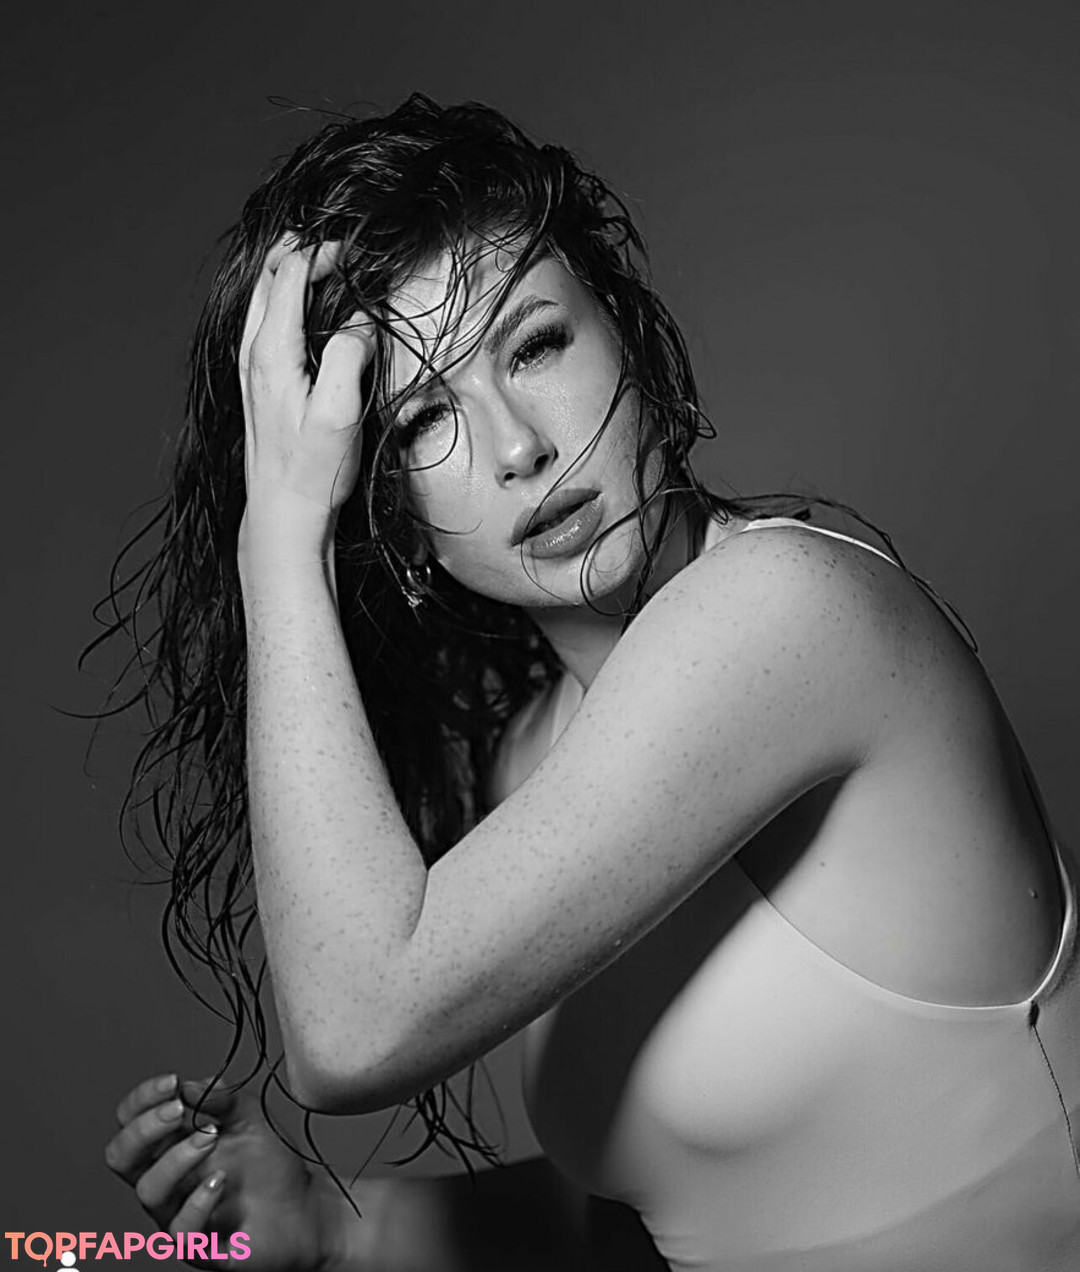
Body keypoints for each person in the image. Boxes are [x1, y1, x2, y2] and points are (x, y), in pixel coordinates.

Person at [102, 95, 1080, 1271]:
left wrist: (279, 538)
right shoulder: (533, 759)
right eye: (422, 420)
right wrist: (338, 1224)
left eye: (535, 345)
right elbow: (671, 1214)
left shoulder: (787, 610)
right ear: (394, 517)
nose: (519, 445)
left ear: (629, 336)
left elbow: (353, 1029)